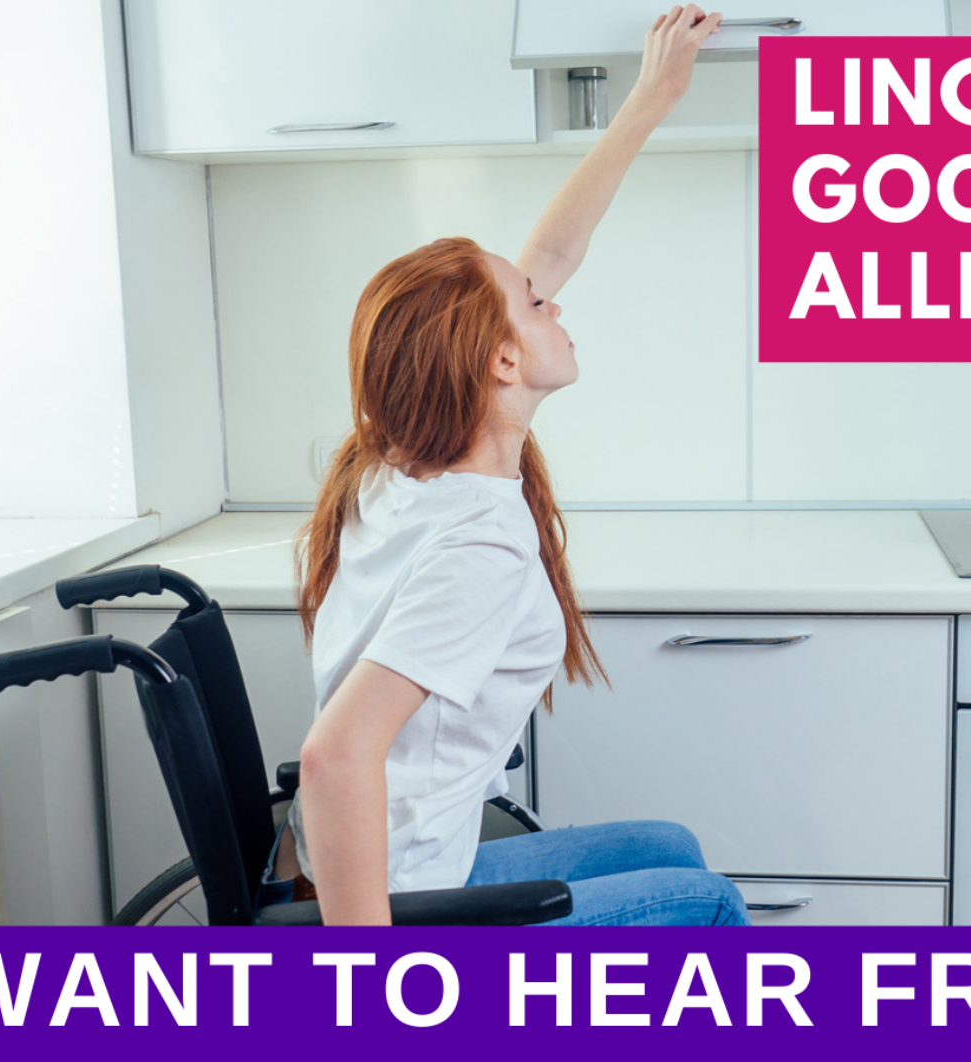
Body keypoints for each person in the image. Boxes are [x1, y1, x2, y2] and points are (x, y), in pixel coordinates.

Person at [264, 5, 749, 927]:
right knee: (706, 903)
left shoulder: (400, 463)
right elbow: (334, 758)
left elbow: (551, 253)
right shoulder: (480, 538)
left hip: (397, 863)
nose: (554, 304)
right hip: (400, 905)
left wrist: (649, 101)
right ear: (500, 362)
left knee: (671, 852)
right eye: (535, 305)